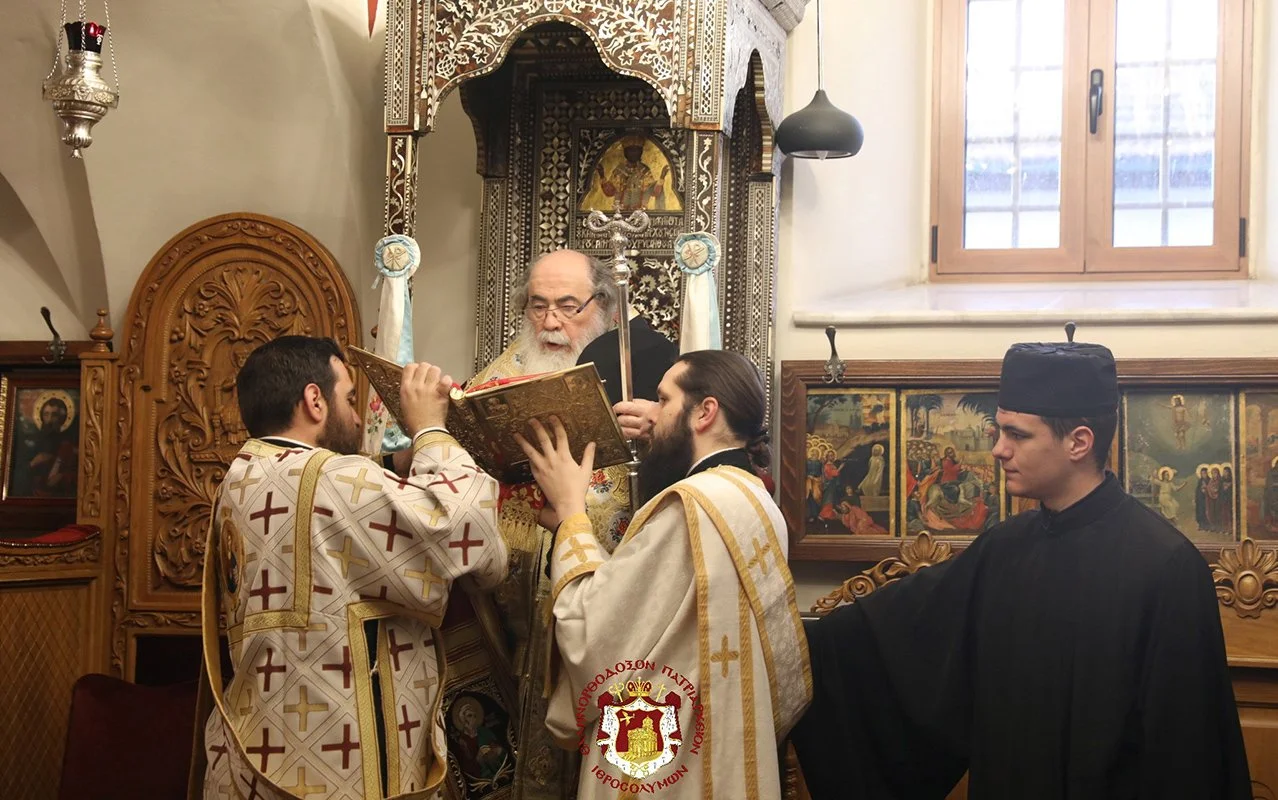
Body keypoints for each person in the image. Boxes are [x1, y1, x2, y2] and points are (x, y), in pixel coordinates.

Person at [792, 338, 1251, 799]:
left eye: (1018, 435)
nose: (998, 450)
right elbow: (897, 634)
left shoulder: (1167, 567)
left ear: (1079, 442)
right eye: (999, 432)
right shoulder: (1004, 547)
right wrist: (788, 640)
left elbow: (1191, 756)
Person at [198, 336, 507, 799]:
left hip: (263, 749)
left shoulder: (242, 477)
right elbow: (468, 525)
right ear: (314, 400)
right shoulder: (326, 478)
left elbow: (334, 517)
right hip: (340, 762)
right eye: (348, 398)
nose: (360, 417)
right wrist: (430, 430)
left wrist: (395, 463)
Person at [516, 350, 811, 799]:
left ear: (705, 412)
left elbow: (594, 636)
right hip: (727, 741)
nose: (649, 416)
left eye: (662, 399)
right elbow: (656, 611)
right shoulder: (755, 500)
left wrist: (573, 511)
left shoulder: (691, 506)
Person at [455, 247, 677, 800]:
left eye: (566, 306)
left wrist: (655, 433)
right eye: (537, 306)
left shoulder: (638, 376)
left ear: (601, 305)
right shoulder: (498, 380)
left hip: (602, 611)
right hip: (515, 612)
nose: (550, 323)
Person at [11, 395, 79, 497]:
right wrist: (33, 463)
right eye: (46, 414)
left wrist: (62, 476)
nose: (50, 419)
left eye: (54, 415)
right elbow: (15, 474)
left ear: (62, 418)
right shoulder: (31, 443)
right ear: (41, 416)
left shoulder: (69, 443)